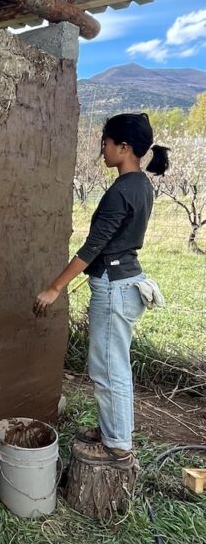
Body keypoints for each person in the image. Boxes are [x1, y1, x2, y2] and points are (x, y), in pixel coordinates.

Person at [33, 113, 169, 461]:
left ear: (124, 148)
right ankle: (113, 431)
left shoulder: (121, 191)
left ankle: (118, 444)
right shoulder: (140, 184)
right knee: (112, 365)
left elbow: (92, 248)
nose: (102, 150)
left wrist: (55, 288)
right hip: (127, 280)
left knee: (109, 369)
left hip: (114, 286)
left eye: (106, 143)